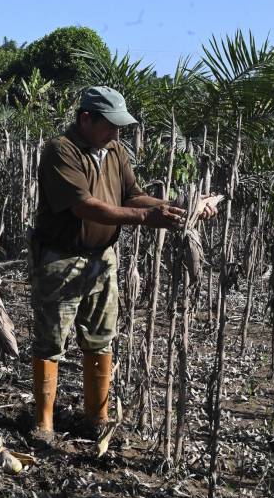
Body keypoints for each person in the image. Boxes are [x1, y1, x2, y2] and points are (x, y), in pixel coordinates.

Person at [29, 85, 216, 449]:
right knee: (51, 341)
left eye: (119, 127)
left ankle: (96, 418)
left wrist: (179, 208)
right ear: (86, 119)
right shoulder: (60, 151)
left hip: (104, 258)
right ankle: (43, 423)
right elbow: (83, 206)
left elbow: (131, 195)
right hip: (60, 259)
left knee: (101, 337)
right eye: (110, 125)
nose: (116, 133)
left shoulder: (114, 150)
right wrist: (147, 217)